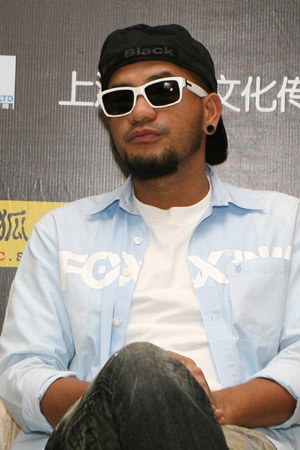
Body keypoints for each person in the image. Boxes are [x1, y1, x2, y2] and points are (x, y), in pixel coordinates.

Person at [0, 23, 300, 450]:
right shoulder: (62, 233)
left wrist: (203, 403)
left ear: (210, 111)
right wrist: (126, 390)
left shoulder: (285, 223)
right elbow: (23, 370)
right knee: (141, 366)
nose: (139, 112)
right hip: (93, 436)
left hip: (235, 437)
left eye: (163, 92)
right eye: (120, 99)